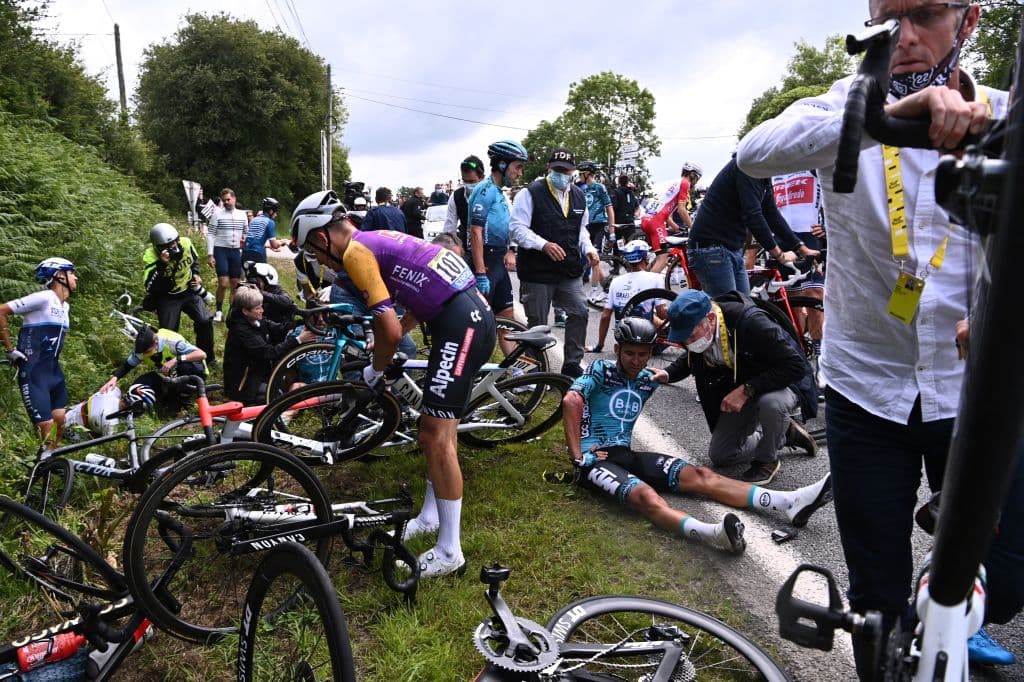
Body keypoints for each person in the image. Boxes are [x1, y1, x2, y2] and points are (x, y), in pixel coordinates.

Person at [736, 0, 1022, 671]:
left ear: (969, 20)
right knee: (874, 603)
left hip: (970, 392)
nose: (907, 38)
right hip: (868, 390)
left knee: (1006, 573)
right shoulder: (845, 105)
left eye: (924, 15)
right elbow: (753, 154)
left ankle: (949, 598)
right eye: (889, 20)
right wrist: (883, 119)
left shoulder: (1007, 114)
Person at [292, 189, 496, 578]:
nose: (318, 260)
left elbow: (385, 328)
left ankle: (450, 550)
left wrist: (375, 368)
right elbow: (421, 298)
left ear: (321, 237)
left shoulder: (354, 253)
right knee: (435, 433)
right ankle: (431, 516)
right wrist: (393, 339)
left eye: (314, 252)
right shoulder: (375, 239)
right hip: (466, 317)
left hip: (461, 327)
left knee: (437, 437)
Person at [564, 317, 833, 553]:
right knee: (647, 497)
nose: (636, 361)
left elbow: (692, 364)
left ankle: (789, 501)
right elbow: (572, 400)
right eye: (629, 354)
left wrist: (670, 373)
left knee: (702, 475)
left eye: (643, 354)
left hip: (626, 455)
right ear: (617, 350)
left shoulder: (647, 378)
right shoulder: (601, 370)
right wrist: (578, 457)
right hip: (595, 461)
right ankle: (712, 535)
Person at [663, 289, 819, 485]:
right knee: (722, 455)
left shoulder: (751, 322)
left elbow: (795, 366)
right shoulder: (702, 331)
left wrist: (747, 390)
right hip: (748, 384)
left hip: (785, 381)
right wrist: (668, 373)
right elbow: (692, 356)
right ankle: (786, 433)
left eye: (691, 336)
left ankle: (767, 461)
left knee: (771, 403)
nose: (688, 343)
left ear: (710, 318)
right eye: (683, 339)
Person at [509, 147, 599, 378]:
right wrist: (543, 244)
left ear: (573, 171)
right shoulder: (530, 193)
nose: (561, 174)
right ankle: (534, 370)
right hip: (537, 272)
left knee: (579, 311)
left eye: (566, 170)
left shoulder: (579, 195)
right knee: (537, 324)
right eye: (557, 169)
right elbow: (517, 228)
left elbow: (582, 230)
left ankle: (571, 364)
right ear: (549, 168)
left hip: (568, 271)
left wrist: (588, 249)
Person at [686, 158, 817, 296]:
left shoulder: (762, 173)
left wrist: (801, 248)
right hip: (711, 249)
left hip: (732, 248)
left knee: (745, 308)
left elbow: (772, 215)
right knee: (731, 310)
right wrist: (780, 255)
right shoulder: (747, 167)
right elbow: (753, 215)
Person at [0, 258, 78, 445]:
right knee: (46, 426)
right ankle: (42, 468)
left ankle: (51, 465)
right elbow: (1, 311)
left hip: (54, 372)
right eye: (72, 273)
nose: (76, 277)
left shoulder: (65, 306)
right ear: (60, 276)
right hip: (34, 372)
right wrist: (10, 350)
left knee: (60, 420)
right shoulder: (43, 297)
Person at [469, 140, 528, 350]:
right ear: (502, 165)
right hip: (485, 261)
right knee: (479, 325)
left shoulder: (499, 192)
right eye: (518, 167)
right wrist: (480, 272)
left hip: (498, 260)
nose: (520, 173)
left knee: (506, 318)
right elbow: (475, 230)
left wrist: (510, 249)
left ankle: (511, 374)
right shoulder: (485, 190)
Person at [222, 284, 316, 405]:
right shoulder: (241, 330)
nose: (262, 311)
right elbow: (269, 353)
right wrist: (298, 340)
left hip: (259, 373)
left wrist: (302, 321)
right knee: (276, 399)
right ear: (245, 311)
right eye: (258, 308)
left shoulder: (255, 319)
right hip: (243, 383)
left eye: (261, 306)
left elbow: (278, 329)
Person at [143, 223, 216, 363]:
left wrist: (196, 274)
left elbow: (194, 261)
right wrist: (162, 265)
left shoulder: (186, 243)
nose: (174, 247)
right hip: (168, 297)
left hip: (188, 291)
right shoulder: (151, 256)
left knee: (205, 321)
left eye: (175, 242)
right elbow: (150, 286)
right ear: (158, 247)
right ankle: (170, 363)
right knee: (168, 333)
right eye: (168, 245)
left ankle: (207, 357)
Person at [771, 171, 825, 357]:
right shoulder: (772, 170)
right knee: (791, 301)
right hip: (782, 240)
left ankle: (818, 349)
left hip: (810, 237)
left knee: (815, 295)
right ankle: (799, 349)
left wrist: (826, 226)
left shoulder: (811, 164)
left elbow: (835, 195)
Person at [99, 324, 207, 413]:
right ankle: (131, 409)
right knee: (139, 384)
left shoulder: (172, 342)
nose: (145, 355)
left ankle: (184, 398)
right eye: (143, 353)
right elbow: (127, 366)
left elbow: (201, 354)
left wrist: (176, 359)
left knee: (185, 367)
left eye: (147, 352)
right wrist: (114, 379)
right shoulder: (141, 350)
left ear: (156, 343)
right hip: (167, 374)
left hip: (193, 370)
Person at [586, 240, 664, 353]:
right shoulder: (656, 278)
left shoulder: (616, 281)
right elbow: (662, 313)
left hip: (623, 339)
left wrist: (599, 346)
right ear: (646, 258)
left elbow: (605, 316)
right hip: (644, 339)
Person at [641, 162, 704, 273]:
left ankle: (643, 278)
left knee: (660, 255)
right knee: (663, 259)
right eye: (697, 178)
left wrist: (677, 228)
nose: (696, 181)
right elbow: (682, 210)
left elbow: (667, 215)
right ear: (693, 175)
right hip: (655, 221)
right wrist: (693, 228)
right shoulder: (685, 183)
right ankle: (647, 288)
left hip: (647, 219)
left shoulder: (675, 182)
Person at [575, 161, 616, 303]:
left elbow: (609, 208)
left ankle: (593, 292)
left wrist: (612, 229)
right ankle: (608, 288)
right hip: (587, 227)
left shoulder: (599, 187)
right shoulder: (580, 189)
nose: (578, 176)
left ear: (587, 174)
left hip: (599, 225)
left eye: (581, 173)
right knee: (590, 259)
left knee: (594, 258)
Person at [206, 188, 248, 322]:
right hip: (221, 250)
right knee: (223, 283)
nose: (226, 202)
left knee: (235, 284)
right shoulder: (217, 214)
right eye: (224, 201)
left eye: (229, 199)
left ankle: (232, 312)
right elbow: (211, 234)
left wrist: (245, 248)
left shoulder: (242, 215)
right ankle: (218, 311)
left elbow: (246, 233)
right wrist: (210, 254)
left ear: (234, 199)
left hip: (235, 251)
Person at [442, 155, 486, 253]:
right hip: (468, 250)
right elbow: (449, 227)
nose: (468, 185)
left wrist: (511, 250)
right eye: (465, 181)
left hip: (491, 251)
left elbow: (509, 223)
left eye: (472, 181)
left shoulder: (496, 194)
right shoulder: (456, 196)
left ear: (482, 177)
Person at [243, 260, 296, 326]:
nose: (254, 283)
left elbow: (287, 302)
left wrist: (261, 293)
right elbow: (231, 320)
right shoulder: (250, 292)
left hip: (278, 329)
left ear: (268, 281)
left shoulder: (277, 291)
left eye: (257, 280)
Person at [241, 197, 283, 264]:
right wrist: (281, 242)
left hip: (245, 253)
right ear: (271, 211)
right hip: (257, 254)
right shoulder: (270, 222)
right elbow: (274, 245)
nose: (276, 214)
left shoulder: (254, 220)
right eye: (275, 212)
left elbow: (254, 240)